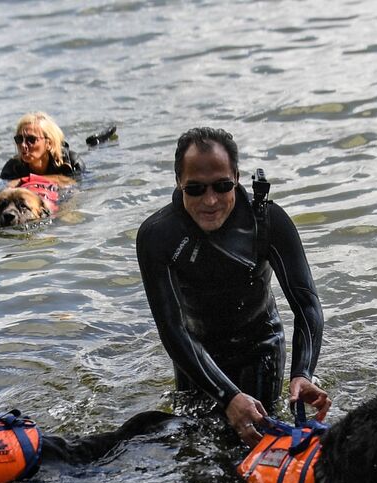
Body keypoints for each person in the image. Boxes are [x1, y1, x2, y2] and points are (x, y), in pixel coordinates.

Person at [135, 127, 329, 445]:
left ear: (237, 177)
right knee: (193, 448)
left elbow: (306, 304)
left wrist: (302, 373)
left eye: (223, 186)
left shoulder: (267, 222)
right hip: (195, 355)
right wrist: (227, 397)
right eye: (195, 189)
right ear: (178, 183)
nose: (210, 200)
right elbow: (172, 330)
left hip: (260, 349)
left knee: (251, 448)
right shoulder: (158, 236)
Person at [0, 112, 82, 182]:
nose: (23, 145)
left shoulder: (72, 162)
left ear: (49, 144)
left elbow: (83, 187)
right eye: (19, 139)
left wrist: (27, 180)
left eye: (31, 139)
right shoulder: (12, 168)